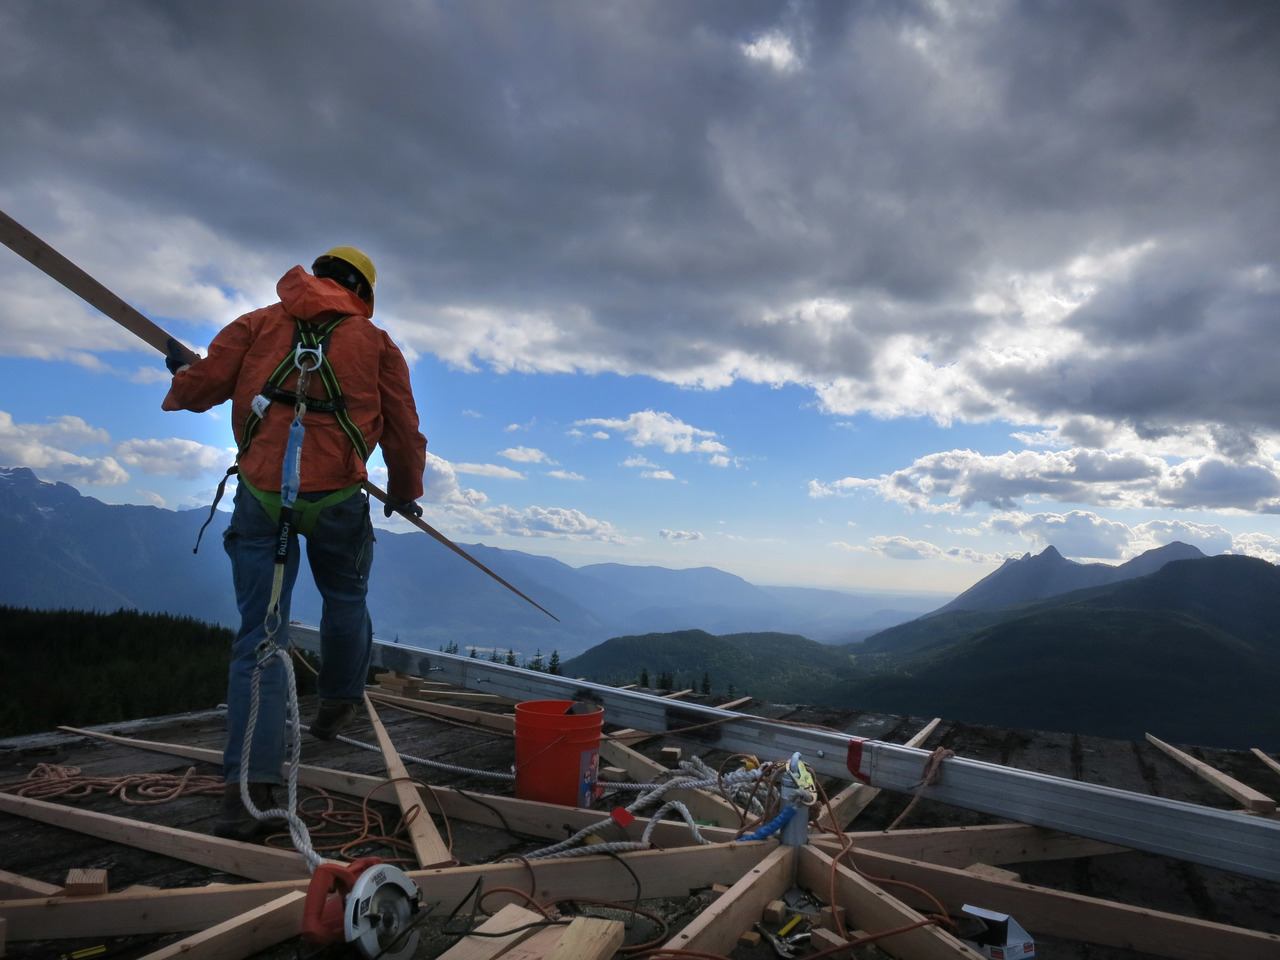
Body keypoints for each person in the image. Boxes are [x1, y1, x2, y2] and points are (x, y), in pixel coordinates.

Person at [162, 246, 426, 839]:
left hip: (263, 495)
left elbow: (202, 387)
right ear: (363, 291)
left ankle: (248, 790)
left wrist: (182, 373)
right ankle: (337, 699)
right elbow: (403, 429)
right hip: (337, 499)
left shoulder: (259, 322)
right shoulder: (376, 343)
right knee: (346, 598)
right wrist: (406, 490)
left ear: (317, 275)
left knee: (261, 635)